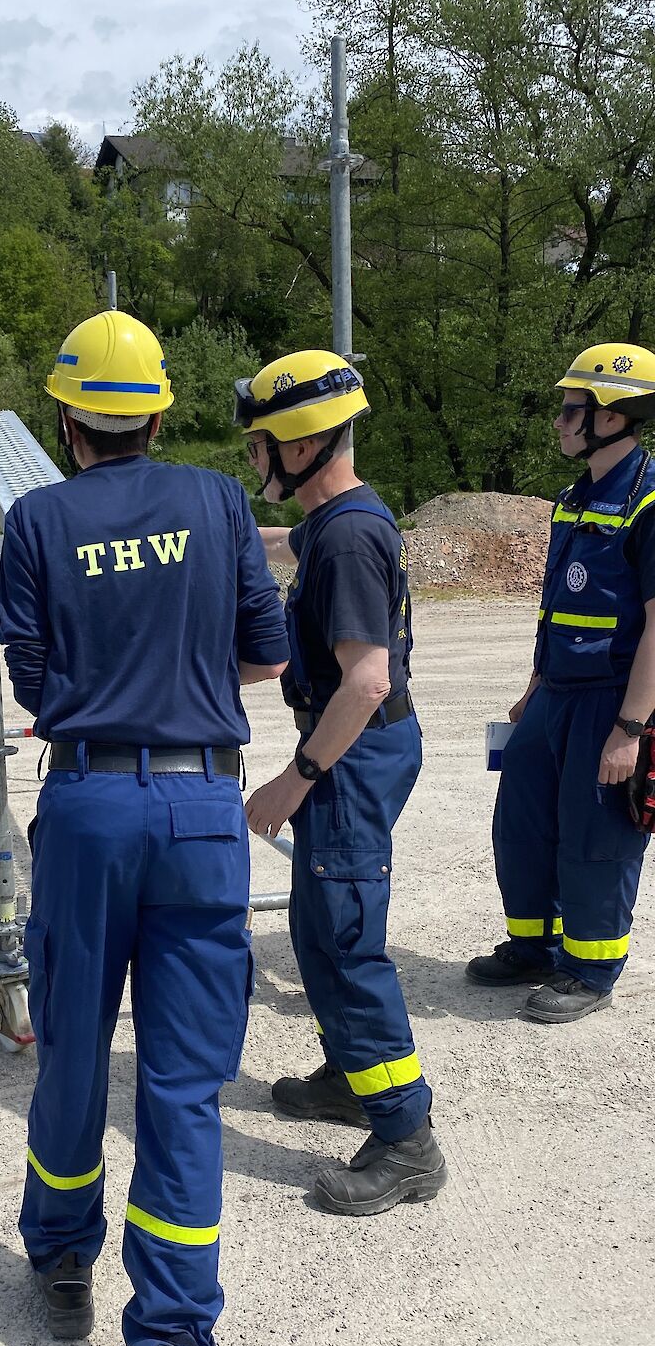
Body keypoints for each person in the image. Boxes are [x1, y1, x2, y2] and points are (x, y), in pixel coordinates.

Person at [0, 310, 289, 1346]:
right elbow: (267, 656)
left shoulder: (37, 519)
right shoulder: (221, 502)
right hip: (203, 809)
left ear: (69, 421)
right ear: (160, 411)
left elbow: (32, 675)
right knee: (179, 1082)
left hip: (89, 808)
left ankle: (64, 1258)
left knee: (74, 1043)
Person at [236, 349, 447, 1216]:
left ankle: (407, 1140)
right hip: (351, 752)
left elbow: (366, 680)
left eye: (261, 444)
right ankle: (351, 1076)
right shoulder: (336, 519)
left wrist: (296, 779)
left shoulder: (352, 536)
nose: (254, 459)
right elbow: (291, 540)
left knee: (347, 941)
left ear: (301, 443)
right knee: (321, 931)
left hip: (351, 755)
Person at [467, 343, 655, 1020]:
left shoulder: (649, 500)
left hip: (612, 699)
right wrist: (533, 685)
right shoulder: (573, 499)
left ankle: (592, 969)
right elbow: (557, 605)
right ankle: (533, 947)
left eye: (571, 408)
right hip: (556, 693)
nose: (559, 421)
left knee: (594, 831)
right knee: (522, 817)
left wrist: (631, 729)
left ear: (613, 416)